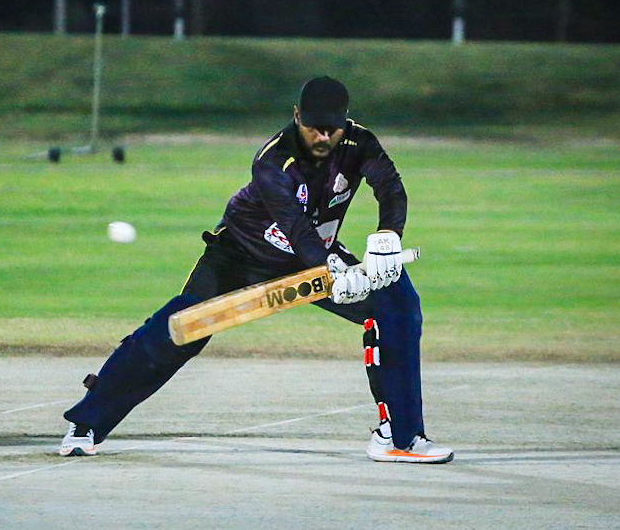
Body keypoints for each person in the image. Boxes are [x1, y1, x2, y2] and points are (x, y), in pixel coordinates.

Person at [59, 76, 454, 464]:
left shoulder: (359, 142)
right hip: (240, 257)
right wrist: (330, 271)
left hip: (314, 255)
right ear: (296, 116)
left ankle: (400, 437)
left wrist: (388, 235)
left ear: (344, 121)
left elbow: (390, 187)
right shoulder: (272, 160)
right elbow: (295, 227)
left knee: (396, 303)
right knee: (179, 330)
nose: (321, 137)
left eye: (331, 129)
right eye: (312, 127)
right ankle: (87, 422)